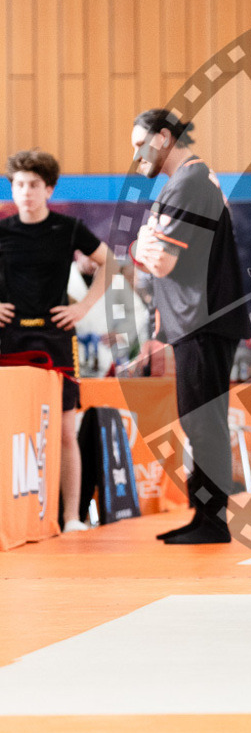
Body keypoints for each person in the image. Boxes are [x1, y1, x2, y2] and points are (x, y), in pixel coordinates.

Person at [131, 109, 251, 544]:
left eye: (140, 143)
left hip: (202, 320)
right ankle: (204, 516)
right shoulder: (189, 180)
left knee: (204, 422)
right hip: (198, 320)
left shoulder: (188, 182)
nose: (136, 154)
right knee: (202, 420)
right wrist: (139, 247)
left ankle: (214, 521)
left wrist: (140, 250)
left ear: (163, 138)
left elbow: (162, 261)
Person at [0, 150, 113, 532]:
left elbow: (110, 263)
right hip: (8, 339)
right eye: (19, 185)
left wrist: (83, 307)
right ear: (11, 189)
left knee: (65, 431)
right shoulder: (2, 230)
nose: (26, 192)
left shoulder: (69, 228)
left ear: (48, 189)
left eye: (34, 185)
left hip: (56, 338)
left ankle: (70, 517)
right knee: (9, 426)